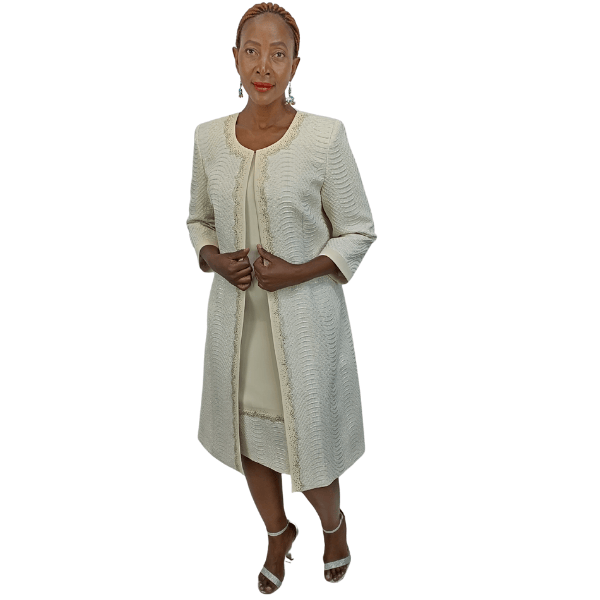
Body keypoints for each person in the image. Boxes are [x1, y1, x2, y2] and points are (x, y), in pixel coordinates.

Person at [186, 2, 377, 594]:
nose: (263, 66)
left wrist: (296, 271)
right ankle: (277, 532)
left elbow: (358, 229)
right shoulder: (209, 139)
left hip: (303, 325)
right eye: (252, 51)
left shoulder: (324, 138)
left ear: (296, 64)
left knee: (309, 445)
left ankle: (333, 526)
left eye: (277, 54)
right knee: (246, 438)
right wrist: (213, 258)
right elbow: (198, 219)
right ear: (234, 57)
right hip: (237, 327)